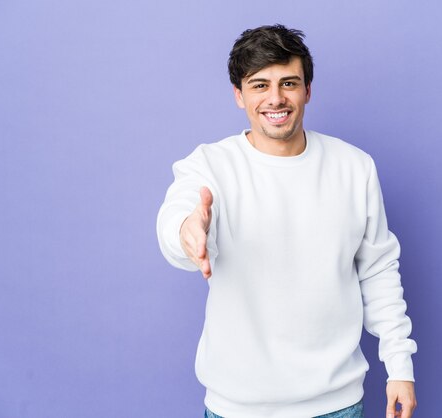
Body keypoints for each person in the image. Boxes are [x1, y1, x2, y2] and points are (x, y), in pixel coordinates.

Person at [156, 24, 417, 418]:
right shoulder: (210, 165)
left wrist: (400, 366)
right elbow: (177, 219)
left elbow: (379, 269)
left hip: (337, 403)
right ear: (238, 95)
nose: (275, 98)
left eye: (288, 83)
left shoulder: (354, 167)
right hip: (237, 407)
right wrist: (186, 233)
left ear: (307, 91)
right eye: (259, 85)